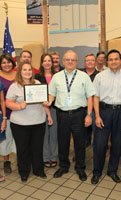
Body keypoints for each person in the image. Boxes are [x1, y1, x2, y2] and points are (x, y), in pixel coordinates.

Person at [92, 49, 121, 184]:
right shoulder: (100, 76)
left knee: (117, 144)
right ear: (107, 61)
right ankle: (97, 171)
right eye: (111, 59)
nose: (113, 61)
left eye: (116, 59)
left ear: (120, 60)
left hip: (120, 113)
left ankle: (112, 170)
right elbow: (95, 97)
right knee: (100, 144)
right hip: (104, 112)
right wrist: (97, 116)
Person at [47, 50, 95, 182]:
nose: (70, 62)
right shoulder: (56, 77)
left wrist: (89, 115)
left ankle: (80, 167)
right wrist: (49, 101)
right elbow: (51, 94)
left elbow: (90, 96)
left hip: (79, 114)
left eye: (72, 60)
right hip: (61, 114)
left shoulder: (83, 76)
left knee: (80, 143)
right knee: (63, 142)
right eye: (67, 59)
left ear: (76, 62)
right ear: (63, 61)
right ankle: (64, 166)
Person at [6, 62, 52, 183]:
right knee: (23, 149)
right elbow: (8, 103)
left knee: (37, 148)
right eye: (25, 70)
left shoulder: (37, 84)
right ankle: (24, 171)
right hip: (20, 124)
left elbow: (44, 101)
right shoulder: (15, 86)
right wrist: (19, 106)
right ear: (20, 72)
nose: (27, 72)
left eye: (29, 70)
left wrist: (48, 112)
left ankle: (38, 170)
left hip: (38, 122)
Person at [0, 54, 17, 174]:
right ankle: (6, 161)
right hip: (4, 114)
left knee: (19, 138)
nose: (6, 65)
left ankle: (21, 159)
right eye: (3, 62)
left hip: (20, 112)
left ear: (13, 63)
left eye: (8, 62)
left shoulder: (19, 75)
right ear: (0, 64)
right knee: (6, 138)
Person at [35, 53, 58, 168]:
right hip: (41, 108)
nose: (47, 63)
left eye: (49, 60)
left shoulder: (57, 75)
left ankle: (53, 156)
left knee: (54, 134)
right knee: (43, 134)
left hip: (55, 108)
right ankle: (45, 157)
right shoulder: (37, 77)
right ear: (41, 63)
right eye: (45, 61)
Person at [83, 54, 99, 147]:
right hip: (82, 108)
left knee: (97, 134)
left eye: (92, 60)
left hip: (96, 109)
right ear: (84, 63)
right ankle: (81, 155)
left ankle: (97, 155)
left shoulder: (100, 76)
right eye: (87, 60)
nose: (90, 62)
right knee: (82, 134)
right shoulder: (79, 75)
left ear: (95, 62)